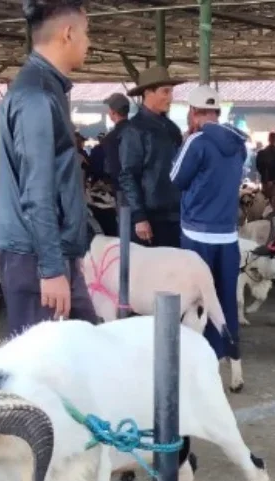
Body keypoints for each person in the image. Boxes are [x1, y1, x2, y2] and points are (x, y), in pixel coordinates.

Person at [0, 0, 98, 337]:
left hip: (44, 250)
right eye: (86, 33)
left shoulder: (45, 88)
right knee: (43, 374)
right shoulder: (37, 96)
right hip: (34, 256)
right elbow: (37, 190)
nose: (89, 42)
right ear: (67, 33)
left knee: (82, 352)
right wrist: (52, 268)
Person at [170, 85, 248, 371]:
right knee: (225, 295)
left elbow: (176, 177)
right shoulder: (239, 143)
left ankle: (197, 354)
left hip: (196, 232)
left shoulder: (197, 142)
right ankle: (226, 352)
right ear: (218, 112)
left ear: (193, 113)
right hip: (227, 233)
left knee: (196, 295)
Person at [119, 65, 185, 248]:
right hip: (149, 218)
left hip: (174, 215)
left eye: (171, 92)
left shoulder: (172, 128)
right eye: (165, 92)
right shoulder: (134, 129)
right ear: (148, 92)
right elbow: (128, 175)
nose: (170, 97)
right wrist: (139, 216)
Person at [97, 92, 130, 194]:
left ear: (113, 112)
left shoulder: (111, 139)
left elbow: (112, 169)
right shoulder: (140, 131)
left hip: (123, 190)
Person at [255, 131, 275, 210]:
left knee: (265, 204)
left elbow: (259, 168)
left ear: (268, 139)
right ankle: (274, 220)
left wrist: (266, 179)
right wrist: (273, 180)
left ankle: (266, 221)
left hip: (265, 181)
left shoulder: (261, 153)